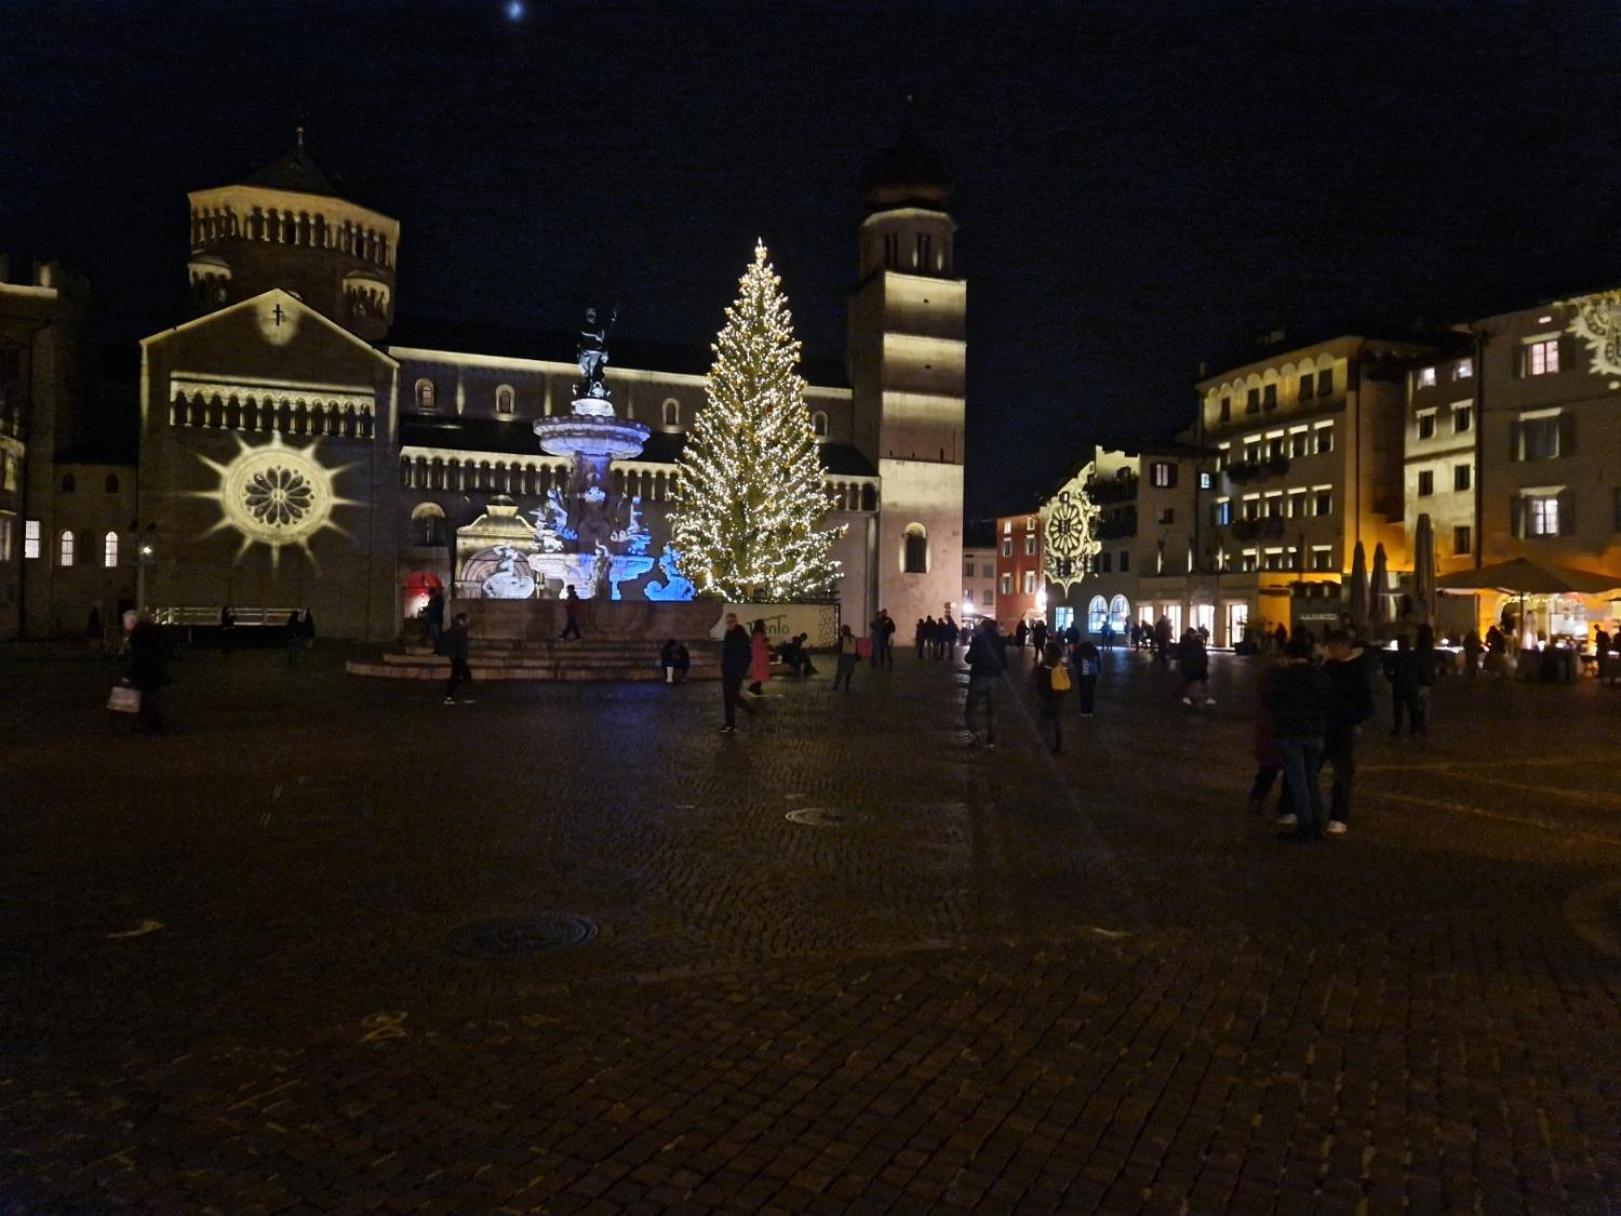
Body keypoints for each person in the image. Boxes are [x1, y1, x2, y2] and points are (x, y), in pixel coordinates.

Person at [1267, 637, 1332, 841]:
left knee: (1298, 781)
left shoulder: (1282, 677)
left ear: (1288, 656)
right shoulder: (1320, 676)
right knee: (1311, 778)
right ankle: (1317, 822)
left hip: (1291, 732)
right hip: (1315, 732)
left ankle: (1306, 826)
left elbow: (1271, 702)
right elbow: (1328, 702)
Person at [1320, 630, 1374, 834]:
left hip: (1342, 728)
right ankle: (1304, 810)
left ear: (1344, 646)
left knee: (1342, 774)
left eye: (1333, 647)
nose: (1330, 650)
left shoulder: (1356, 671)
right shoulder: (1328, 666)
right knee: (1311, 768)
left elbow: (1366, 704)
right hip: (1325, 726)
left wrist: (1349, 717)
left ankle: (1338, 816)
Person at [964, 618, 1007, 747]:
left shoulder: (978, 640)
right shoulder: (1000, 641)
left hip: (979, 677)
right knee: (992, 711)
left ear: (983, 627)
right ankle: (991, 740)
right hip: (994, 679)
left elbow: (969, 658)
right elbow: (1004, 663)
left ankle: (976, 734)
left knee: (970, 709)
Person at [126, 612, 170, 735]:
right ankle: (155, 722)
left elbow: (134, 649)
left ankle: (147, 722)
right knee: (152, 696)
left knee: (143, 697)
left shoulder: (138, 632)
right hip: (156, 667)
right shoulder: (159, 631)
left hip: (141, 668)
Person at [719, 612, 754, 733]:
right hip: (728, 671)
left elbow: (747, 656)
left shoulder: (740, 636)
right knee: (730, 696)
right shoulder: (729, 634)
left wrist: (741, 671)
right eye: (727, 622)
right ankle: (745, 712)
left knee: (731, 696)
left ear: (735, 621)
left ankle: (730, 723)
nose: (729, 624)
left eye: (731, 621)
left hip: (735, 671)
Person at [1034, 640, 1070, 754]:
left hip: (1049, 694)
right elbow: (1069, 673)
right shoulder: (1063, 662)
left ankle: (1043, 742)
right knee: (1057, 719)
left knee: (1044, 719)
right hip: (1061, 693)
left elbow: (1041, 679)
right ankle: (1059, 744)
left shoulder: (1046, 664)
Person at [1387, 635, 1425, 736]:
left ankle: (1398, 728)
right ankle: (1413, 728)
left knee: (1398, 708)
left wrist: (1391, 678)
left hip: (1399, 684)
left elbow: (1388, 669)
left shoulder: (1396, 656)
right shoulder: (1413, 655)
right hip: (1411, 685)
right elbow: (1421, 670)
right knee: (1412, 708)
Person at [1178, 627, 1214, 706]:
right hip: (1195, 667)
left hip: (1197, 667)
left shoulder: (1194, 645)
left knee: (1193, 682)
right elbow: (1195, 656)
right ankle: (1188, 697)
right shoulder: (1194, 646)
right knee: (1192, 682)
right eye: (1201, 637)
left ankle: (1191, 697)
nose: (1202, 639)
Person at [443, 612, 473, 704]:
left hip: (457, 657)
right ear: (461, 621)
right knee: (461, 676)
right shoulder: (459, 631)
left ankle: (453, 696)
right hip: (458, 657)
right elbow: (460, 645)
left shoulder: (458, 630)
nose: (468, 621)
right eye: (466, 619)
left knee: (459, 676)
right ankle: (452, 696)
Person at [1072, 636, 1100, 716]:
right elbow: (1098, 662)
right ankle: (1090, 710)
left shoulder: (1079, 650)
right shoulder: (1094, 650)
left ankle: (1084, 711)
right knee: (1091, 692)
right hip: (1093, 673)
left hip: (1083, 673)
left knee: (1083, 692)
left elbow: (1074, 659)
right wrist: (1098, 671)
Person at [747, 619, 771, 696]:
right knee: (760, 674)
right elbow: (760, 645)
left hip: (759, 656)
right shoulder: (759, 634)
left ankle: (755, 688)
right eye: (763, 624)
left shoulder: (756, 634)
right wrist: (767, 642)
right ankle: (755, 689)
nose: (765, 625)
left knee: (759, 674)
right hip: (760, 657)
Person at [832, 624, 860, 691]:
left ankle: (836, 685)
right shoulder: (853, 638)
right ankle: (846, 687)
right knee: (848, 673)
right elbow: (855, 647)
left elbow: (839, 648)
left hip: (844, 656)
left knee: (840, 672)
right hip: (850, 657)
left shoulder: (842, 638)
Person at [425, 587, 446, 654]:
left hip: (436, 621)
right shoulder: (432, 601)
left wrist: (431, 609)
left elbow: (438, 610)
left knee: (437, 636)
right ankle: (436, 649)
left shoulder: (438, 601)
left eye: (430, 595)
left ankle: (439, 649)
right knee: (434, 636)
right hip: (432, 620)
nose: (430, 596)